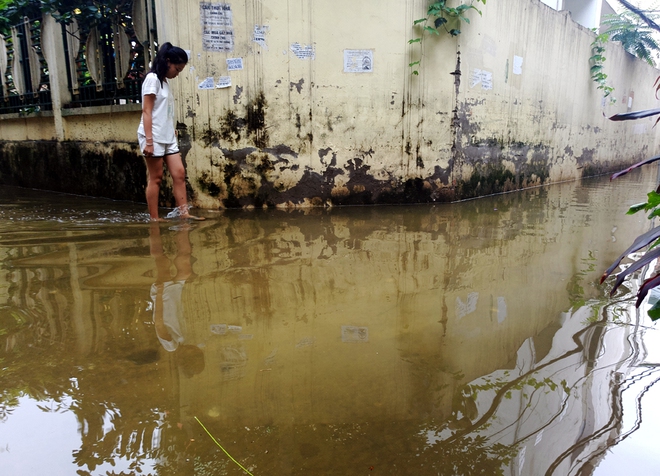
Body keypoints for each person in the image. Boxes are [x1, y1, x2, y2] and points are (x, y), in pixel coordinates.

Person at [137, 42, 204, 221]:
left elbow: (163, 110)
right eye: (177, 68)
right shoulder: (153, 79)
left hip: (167, 135)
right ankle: (154, 217)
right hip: (153, 136)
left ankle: (184, 214)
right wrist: (149, 141)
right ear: (167, 61)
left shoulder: (164, 82)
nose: (177, 73)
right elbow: (147, 111)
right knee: (156, 177)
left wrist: (170, 128)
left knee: (179, 173)